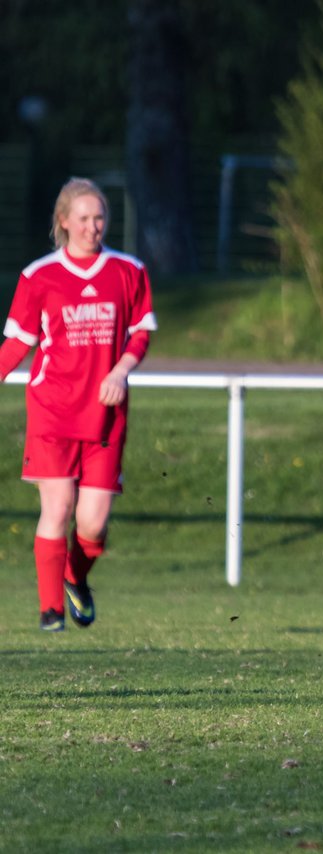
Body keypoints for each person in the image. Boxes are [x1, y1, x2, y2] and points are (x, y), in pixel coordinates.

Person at [0, 177, 156, 631]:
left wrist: (120, 370)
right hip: (52, 410)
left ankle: (73, 576)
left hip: (106, 415)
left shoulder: (128, 271)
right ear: (63, 221)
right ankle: (50, 610)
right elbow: (17, 345)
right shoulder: (39, 276)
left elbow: (141, 332)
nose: (94, 226)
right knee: (59, 507)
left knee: (93, 524)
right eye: (84, 218)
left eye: (100, 217)